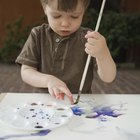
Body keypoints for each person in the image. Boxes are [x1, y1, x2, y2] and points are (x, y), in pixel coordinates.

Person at [15, 0, 116, 104]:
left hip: (81, 103)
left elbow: (108, 78)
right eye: (56, 16)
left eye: (74, 16)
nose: (65, 24)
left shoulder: (89, 38)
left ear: (83, 11)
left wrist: (103, 54)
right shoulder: (38, 35)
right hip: (45, 104)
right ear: (45, 8)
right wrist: (48, 80)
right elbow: (26, 72)